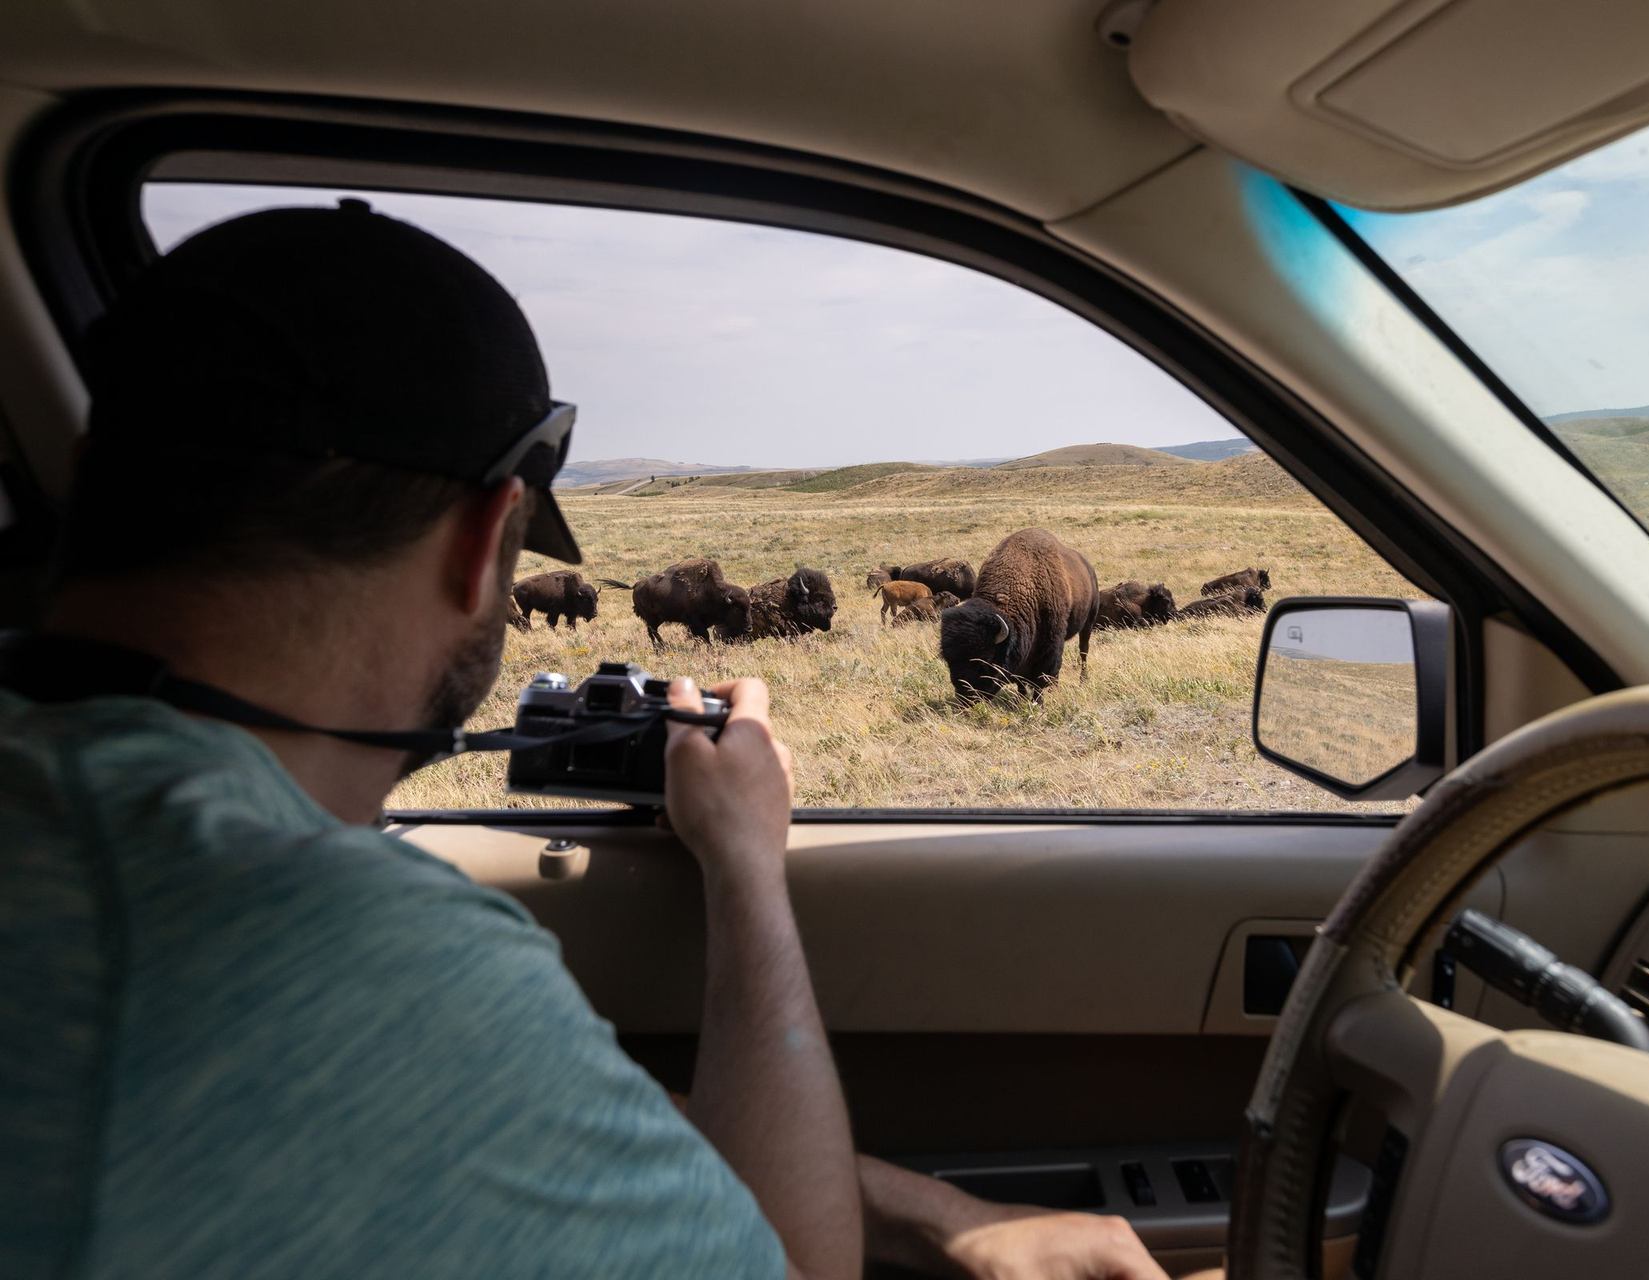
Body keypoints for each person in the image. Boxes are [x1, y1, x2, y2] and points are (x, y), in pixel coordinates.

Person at [0, 200, 1175, 1278]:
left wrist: (942, 1216)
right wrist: (748, 867)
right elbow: (791, 1265)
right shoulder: (305, 933)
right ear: (483, 546)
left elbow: (487, 1111)